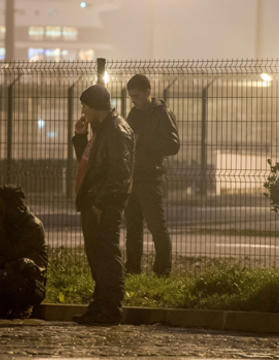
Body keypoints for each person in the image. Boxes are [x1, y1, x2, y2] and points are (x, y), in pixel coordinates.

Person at [71, 84, 135, 325]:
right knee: (96, 255)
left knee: (106, 254)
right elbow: (89, 165)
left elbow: (120, 173)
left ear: (94, 106)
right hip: (93, 199)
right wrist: (80, 138)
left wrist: (100, 203)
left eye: (85, 106)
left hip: (104, 203)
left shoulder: (117, 131)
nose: (83, 110)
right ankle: (99, 305)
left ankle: (110, 307)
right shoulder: (102, 129)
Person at [125, 74, 180, 276]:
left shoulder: (162, 113)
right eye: (131, 97)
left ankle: (162, 271)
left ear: (148, 93)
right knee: (133, 228)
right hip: (134, 177)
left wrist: (144, 142)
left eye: (137, 96)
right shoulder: (134, 114)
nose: (134, 101)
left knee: (157, 227)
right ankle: (132, 269)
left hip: (151, 177)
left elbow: (174, 145)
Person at [0, 185, 47, 319]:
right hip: (9, 271)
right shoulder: (6, 223)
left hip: (31, 282)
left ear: (11, 206)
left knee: (1, 276)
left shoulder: (32, 225)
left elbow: (14, 255)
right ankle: (7, 302)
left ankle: (24, 305)